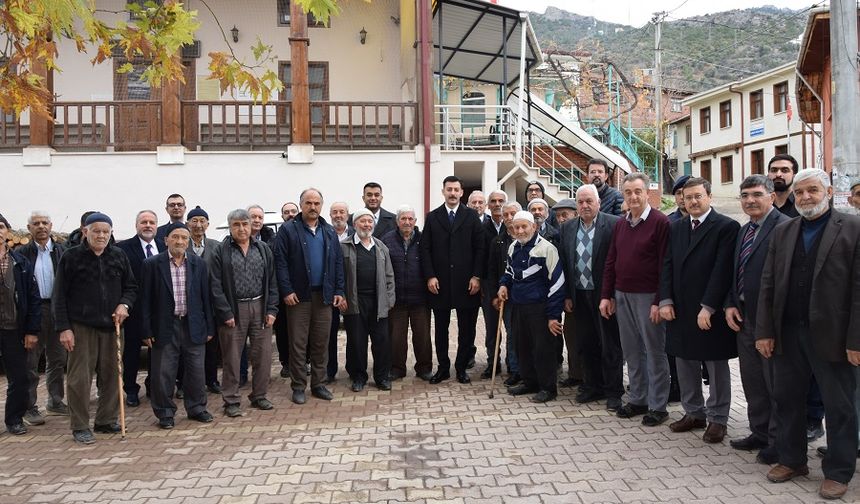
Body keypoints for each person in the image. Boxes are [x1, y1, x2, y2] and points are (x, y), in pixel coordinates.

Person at [756, 168, 860, 500]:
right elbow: (768, 284)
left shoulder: (853, 228)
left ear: (828, 192)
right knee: (787, 400)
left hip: (834, 337)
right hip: (788, 333)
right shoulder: (784, 231)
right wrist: (764, 331)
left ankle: (839, 472)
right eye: (799, 192)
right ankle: (792, 460)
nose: (804, 197)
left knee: (839, 406)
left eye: (812, 190)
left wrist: (856, 340)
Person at [659, 177, 740, 444]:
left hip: (710, 309)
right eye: (688, 197)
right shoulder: (676, 227)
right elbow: (667, 264)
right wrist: (665, 300)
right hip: (680, 308)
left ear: (709, 197)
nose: (693, 201)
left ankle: (718, 418)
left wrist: (708, 307)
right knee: (684, 361)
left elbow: (722, 270)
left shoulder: (726, 227)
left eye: (698, 196)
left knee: (715, 365)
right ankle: (694, 412)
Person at [53, 213, 137, 444]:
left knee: (112, 376)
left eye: (106, 231)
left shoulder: (118, 255)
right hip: (81, 326)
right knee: (79, 379)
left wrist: (124, 304)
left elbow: (131, 287)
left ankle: (106, 420)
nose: (101, 235)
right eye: (96, 231)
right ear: (85, 232)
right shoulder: (71, 257)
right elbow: (59, 295)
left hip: (113, 325)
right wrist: (64, 328)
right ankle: (80, 425)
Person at [723, 175, 789, 464]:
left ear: (772, 197)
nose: (750, 200)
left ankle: (779, 442)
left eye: (757, 194)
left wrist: (770, 323)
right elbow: (735, 272)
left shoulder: (785, 228)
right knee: (753, 382)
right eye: (745, 195)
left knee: (776, 385)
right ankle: (760, 432)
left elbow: (785, 280)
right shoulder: (744, 230)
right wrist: (730, 303)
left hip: (771, 321)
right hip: (744, 317)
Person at [600, 174, 671, 426]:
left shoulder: (660, 222)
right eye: (628, 192)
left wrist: (659, 300)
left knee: (654, 351)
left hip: (649, 297)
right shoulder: (621, 224)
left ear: (647, 193)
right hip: (622, 295)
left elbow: (666, 265)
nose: (633, 196)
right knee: (632, 351)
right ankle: (639, 399)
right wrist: (606, 295)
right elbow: (611, 261)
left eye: (638, 191)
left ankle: (658, 405)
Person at [273, 188, 346, 405]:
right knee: (298, 343)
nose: (313, 207)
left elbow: (337, 263)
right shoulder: (288, 230)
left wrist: (339, 290)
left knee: (321, 342)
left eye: (316, 203)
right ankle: (298, 386)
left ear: (321, 206)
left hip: (324, 296)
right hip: (299, 297)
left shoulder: (329, 231)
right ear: (301, 205)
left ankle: (319, 384)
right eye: (308, 203)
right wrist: (287, 290)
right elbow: (280, 262)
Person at [139, 223, 215, 429]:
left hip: (193, 324)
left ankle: (197, 407)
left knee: (196, 370)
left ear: (188, 241)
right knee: (163, 372)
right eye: (175, 237)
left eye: (184, 237)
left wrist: (209, 327)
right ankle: (165, 412)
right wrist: (146, 330)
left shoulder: (199, 264)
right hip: (165, 325)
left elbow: (206, 297)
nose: (180, 241)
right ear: (166, 240)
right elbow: (144, 300)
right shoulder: (152, 264)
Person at [558, 185, 623, 411]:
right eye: (580, 202)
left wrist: (612, 295)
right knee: (586, 343)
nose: (584, 205)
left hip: (603, 295)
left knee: (610, 345)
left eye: (589, 201)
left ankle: (614, 391)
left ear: (598, 203)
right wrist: (567, 295)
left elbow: (617, 263)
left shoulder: (614, 224)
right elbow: (565, 262)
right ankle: (592, 386)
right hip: (579, 294)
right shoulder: (567, 228)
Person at [209, 209, 279, 417]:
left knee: (263, 356)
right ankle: (231, 400)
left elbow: (272, 281)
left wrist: (272, 309)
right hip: (234, 309)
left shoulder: (263, 249)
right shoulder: (221, 251)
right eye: (236, 225)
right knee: (232, 358)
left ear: (251, 225)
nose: (241, 229)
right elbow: (215, 285)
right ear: (230, 227)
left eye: (244, 224)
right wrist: (225, 313)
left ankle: (259, 395)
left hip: (260, 306)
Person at [420, 175, 485, 385]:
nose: (453, 193)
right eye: (449, 189)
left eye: (456, 190)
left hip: (467, 283)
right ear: (443, 191)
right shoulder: (433, 217)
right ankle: (443, 368)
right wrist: (430, 275)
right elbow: (425, 249)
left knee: (467, 330)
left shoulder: (471, 216)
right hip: (439, 284)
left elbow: (480, 248)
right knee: (441, 329)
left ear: (461, 192)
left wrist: (476, 276)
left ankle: (461, 368)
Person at [498, 211, 565, 403]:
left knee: (543, 349)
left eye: (524, 227)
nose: (520, 231)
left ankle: (548, 388)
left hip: (540, 308)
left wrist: (553, 316)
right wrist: (503, 285)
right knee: (522, 347)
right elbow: (509, 272)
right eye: (516, 227)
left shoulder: (547, 249)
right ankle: (530, 382)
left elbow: (558, 283)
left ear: (534, 227)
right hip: (518, 305)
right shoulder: (513, 247)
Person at [341, 209, 395, 391]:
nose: (366, 225)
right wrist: (341, 296)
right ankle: (358, 377)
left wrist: (389, 300)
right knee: (357, 342)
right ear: (354, 224)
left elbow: (389, 276)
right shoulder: (344, 246)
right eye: (362, 221)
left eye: (370, 221)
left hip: (378, 302)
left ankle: (382, 377)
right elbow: (339, 275)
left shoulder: (381, 247)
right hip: (355, 302)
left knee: (382, 341)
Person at [21, 211, 67, 422]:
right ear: (29, 228)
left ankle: (55, 401)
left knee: (58, 358)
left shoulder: (61, 252)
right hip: (34, 309)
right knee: (30, 361)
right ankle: (29, 406)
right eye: (36, 223)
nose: (41, 226)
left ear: (51, 226)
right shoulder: (22, 253)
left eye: (44, 223)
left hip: (57, 309)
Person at [117, 210, 165, 407]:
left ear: (156, 225)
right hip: (134, 310)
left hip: (159, 311)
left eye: (151, 222)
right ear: (136, 225)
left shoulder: (164, 245)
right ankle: (130, 389)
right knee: (131, 353)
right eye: (143, 222)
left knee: (157, 351)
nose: (148, 225)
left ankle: (153, 386)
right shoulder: (123, 248)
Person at [381, 205, 433, 381]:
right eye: (403, 218)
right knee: (396, 337)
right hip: (397, 299)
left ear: (415, 221)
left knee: (422, 336)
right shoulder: (387, 240)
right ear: (397, 221)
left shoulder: (424, 239)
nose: (407, 222)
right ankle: (397, 368)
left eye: (410, 219)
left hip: (420, 298)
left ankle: (424, 368)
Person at [0, 213, 41, 435]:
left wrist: (31, 330)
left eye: (1, 227)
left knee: (19, 377)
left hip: (13, 329)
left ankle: (14, 419)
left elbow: (33, 298)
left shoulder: (20, 262)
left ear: (7, 231)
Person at [186, 206, 223, 394]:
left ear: (208, 224)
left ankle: (212, 379)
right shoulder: (181, 243)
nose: (198, 225)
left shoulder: (216, 246)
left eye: (202, 221)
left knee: (211, 345)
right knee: (188, 345)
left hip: (211, 303)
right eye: (194, 221)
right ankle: (185, 383)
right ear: (188, 224)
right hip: (187, 303)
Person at [486, 201, 520, 386]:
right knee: (512, 332)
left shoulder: (528, 237)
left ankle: (526, 368)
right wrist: (494, 295)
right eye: (505, 214)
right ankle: (514, 369)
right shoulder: (497, 241)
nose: (509, 218)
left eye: (512, 213)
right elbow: (492, 271)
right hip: (505, 295)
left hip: (526, 295)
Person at [553, 198, 582, 388]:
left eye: (565, 215)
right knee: (571, 335)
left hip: (589, 293)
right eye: (558, 216)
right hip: (570, 294)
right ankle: (575, 373)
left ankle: (591, 376)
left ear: (575, 214)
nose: (561, 219)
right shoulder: (560, 234)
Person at [479, 190, 507, 379]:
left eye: (500, 201)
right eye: (493, 201)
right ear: (488, 206)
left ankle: (514, 364)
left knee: (513, 327)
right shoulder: (481, 228)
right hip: (489, 285)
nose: (497, 204)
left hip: (510, 285)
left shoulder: (513, 226)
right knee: (492, 328)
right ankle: (493, 363)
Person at [326, 201, 352, 382]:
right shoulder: (325, 233)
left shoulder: (357, 232)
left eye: (342, 212)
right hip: (331, 293)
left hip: (353, 293)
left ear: (347, 215)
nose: (338, 215)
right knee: (329, 334)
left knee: (355, 334)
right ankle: (329, 370)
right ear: (330, 215)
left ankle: (353, 369)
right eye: (334, 212)